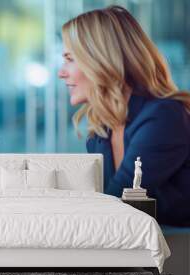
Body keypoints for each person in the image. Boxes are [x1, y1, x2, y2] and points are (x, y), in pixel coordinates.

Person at [58, 6, 190, 226]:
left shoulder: (163, 117)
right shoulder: (101, 130)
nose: (61, 72)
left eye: (70, 59)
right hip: (137, 249)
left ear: (100, 60)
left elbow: (114, 205)